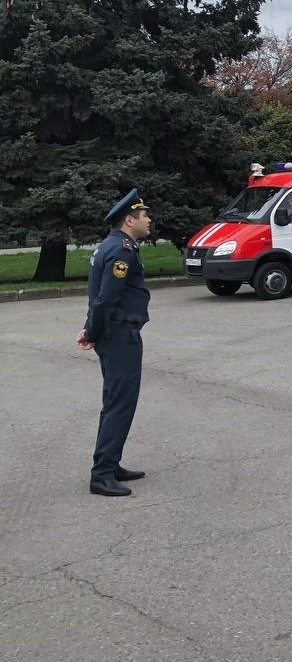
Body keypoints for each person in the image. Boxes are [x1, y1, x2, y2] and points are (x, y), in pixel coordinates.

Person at [78, 189, 153, 496]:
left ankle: (111, 461)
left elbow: (98, 296)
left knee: (116, 402)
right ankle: (102, 474)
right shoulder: (122, 251)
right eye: (144, 215)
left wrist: (90, 329)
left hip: (113, 333)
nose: (149, 219)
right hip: (119, 335)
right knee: (119, 404)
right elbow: (106, 298)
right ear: (129, 219)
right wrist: (92, 332)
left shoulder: (111, 245)